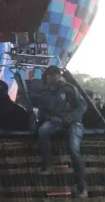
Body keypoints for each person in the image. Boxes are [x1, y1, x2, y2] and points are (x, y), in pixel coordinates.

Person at [34, 66, 87, 198]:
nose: (49, 77)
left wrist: (69, 118)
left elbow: (82, 107)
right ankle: (48, 164)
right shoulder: (44, 94)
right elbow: (42, 113)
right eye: (48, 75)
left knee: (73, 149)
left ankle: (81, 186)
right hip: (55, 122)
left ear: (59, 75)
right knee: (42, 131)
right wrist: (50, 118)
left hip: (73, 123)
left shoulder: (69, 89)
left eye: (52, 75)